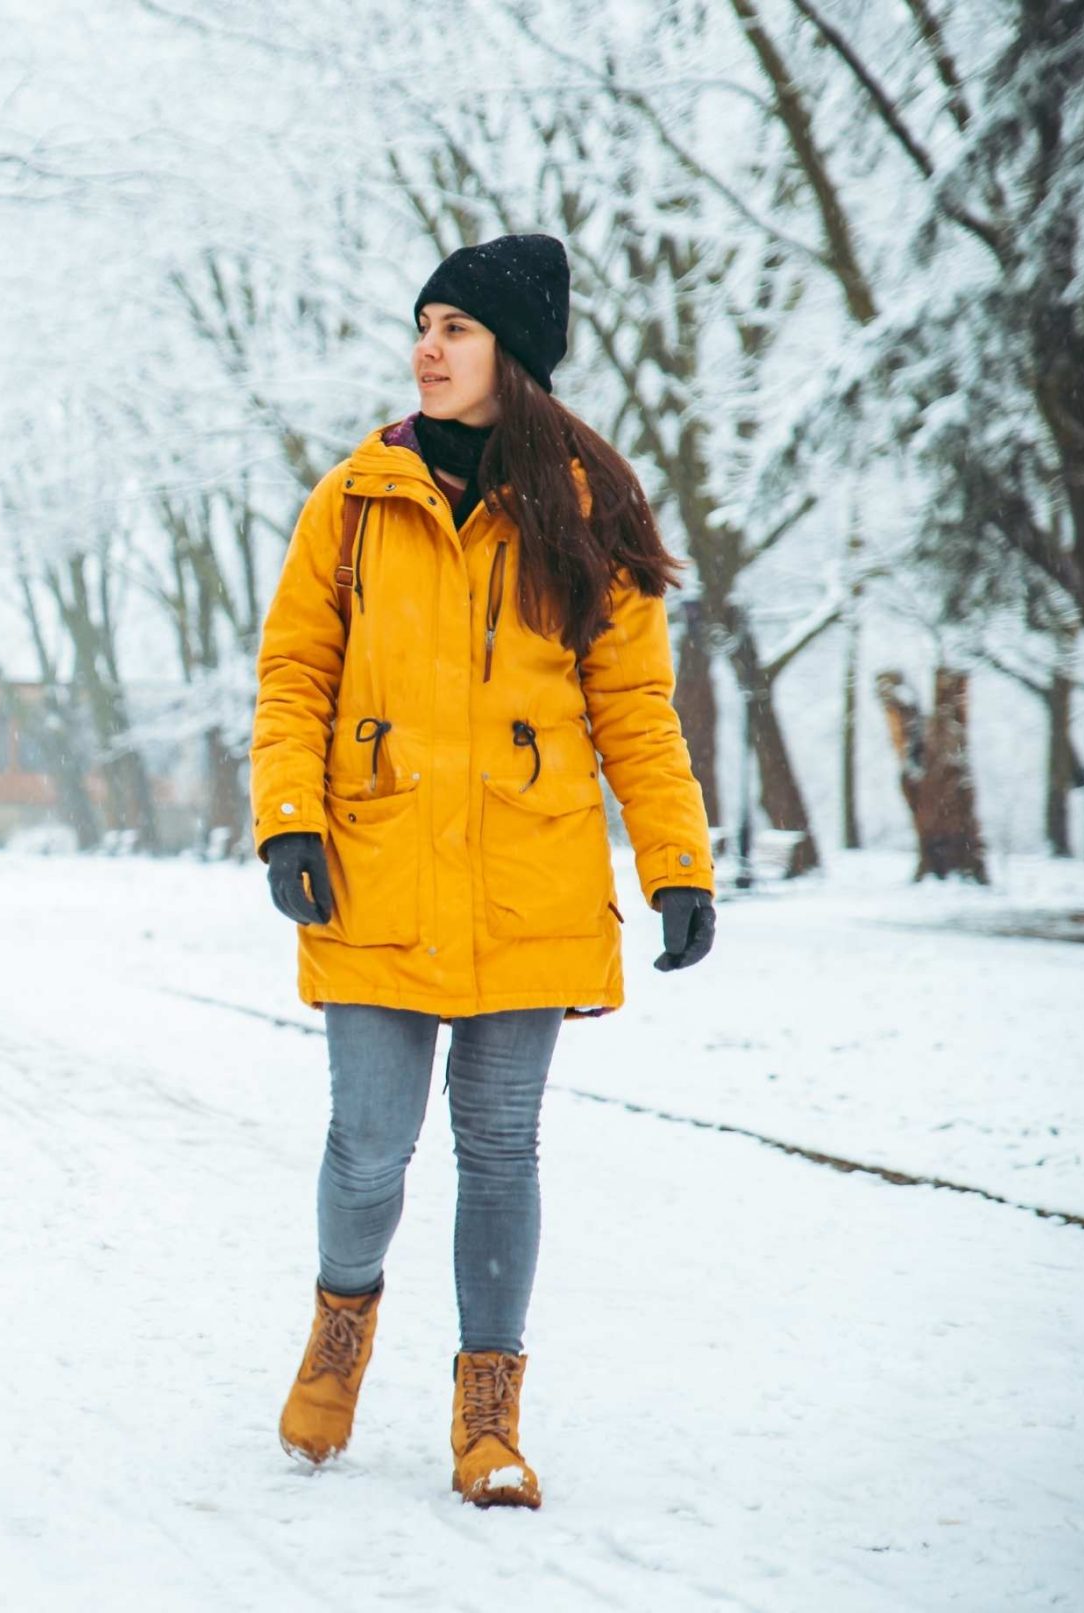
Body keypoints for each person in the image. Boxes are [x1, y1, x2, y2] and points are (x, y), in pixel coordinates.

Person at [250, 233, 716, 1510]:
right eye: (423, 323)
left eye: (455, 326)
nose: (428, 347)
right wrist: (289, 819)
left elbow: (635, 706)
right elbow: (293, 671)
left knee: (501, 1147)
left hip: (530, 872)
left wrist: (678, 862)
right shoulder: (352, 501)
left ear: (515, 353)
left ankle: (488, 1421)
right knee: (367, 1146)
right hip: (378, 863)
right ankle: (338, 1343)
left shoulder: (587, 513)